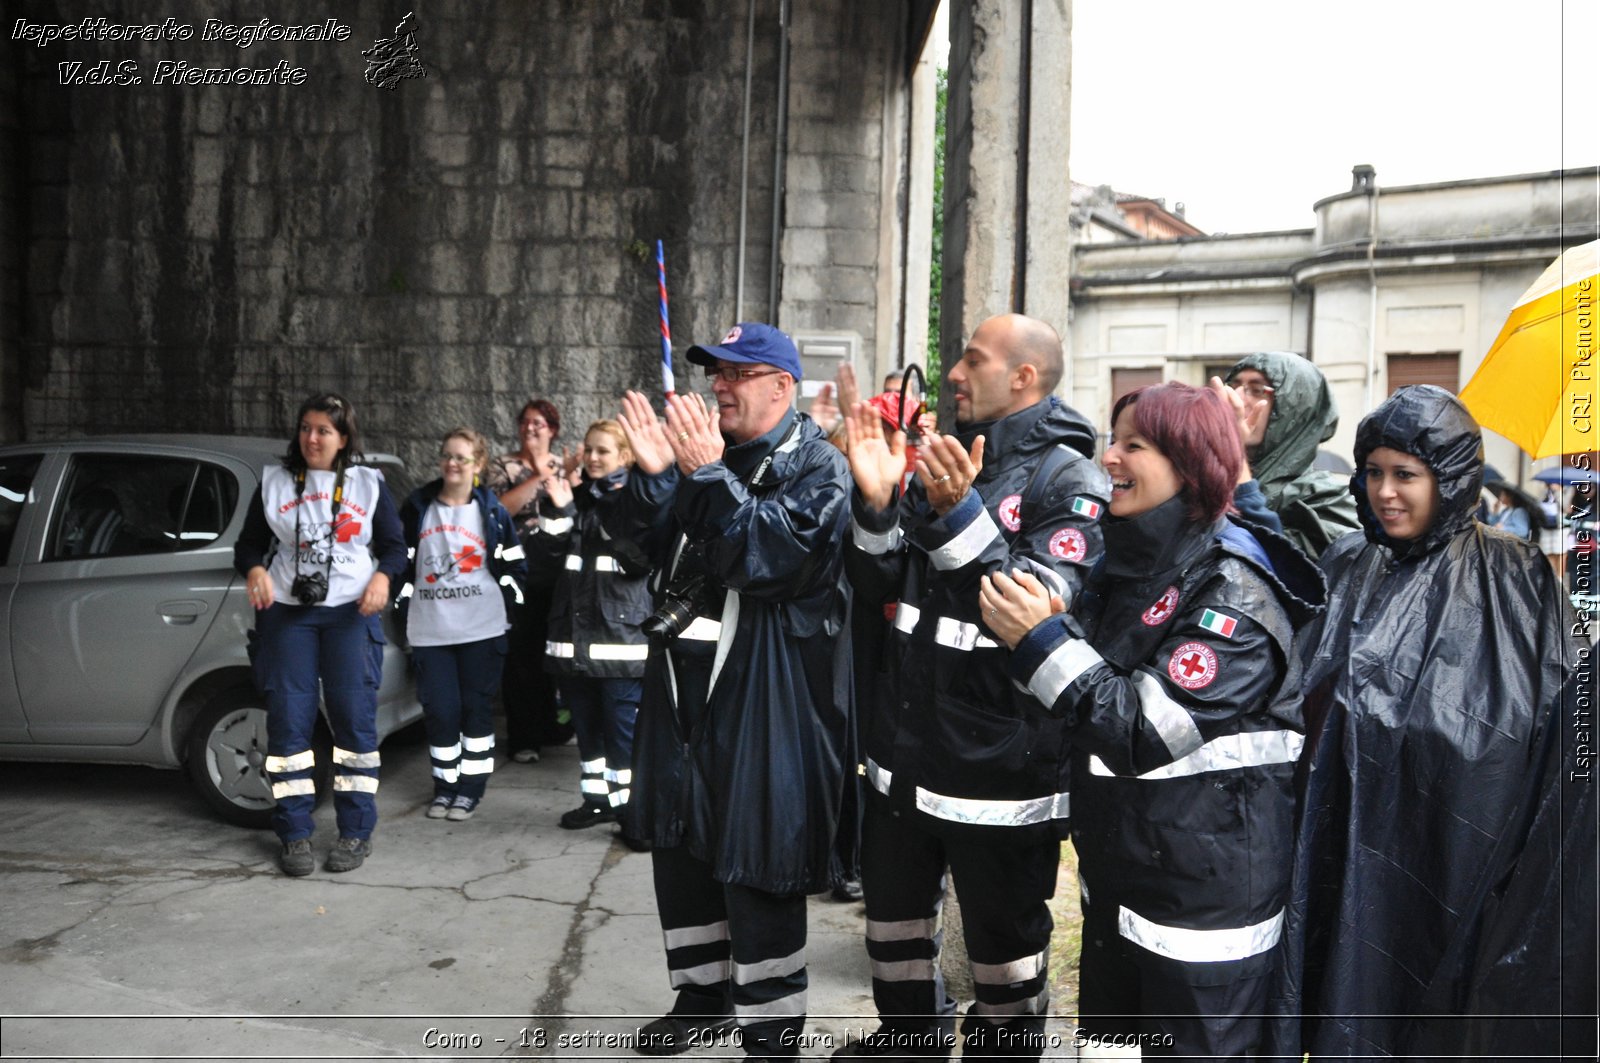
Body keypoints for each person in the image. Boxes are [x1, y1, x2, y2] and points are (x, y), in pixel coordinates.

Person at [980, 382, 1323, 1058]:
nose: (1108, 459)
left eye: (1133, 445)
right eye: (1114, 440)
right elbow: (1062, 697)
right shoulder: (1126, 566)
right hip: (1121, 891)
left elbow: (1143, 729)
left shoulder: (1235, 594)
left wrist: (1042, 641)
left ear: (1191, 464)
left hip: (1202, 920)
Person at [1266, 385, 1577, 1060]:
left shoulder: (1516, 574)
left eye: (1405, 474)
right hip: (1342, 828)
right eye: (1373, 472)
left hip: (1455, 845)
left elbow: (1556, 720)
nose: (1385, 492)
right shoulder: (1349, 561)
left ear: (1451, 477)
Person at [838, 313, 1107, 1060]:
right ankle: (907, 1043)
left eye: (972, 359)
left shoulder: (1068, 476)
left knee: (1004, 957)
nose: (952, 372)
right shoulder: (954, 459)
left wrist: (960, 513)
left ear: (1023, 376)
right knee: (892, 928)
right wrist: (878, 505)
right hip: (907, 758)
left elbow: (1031, 603)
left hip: (1000, 772)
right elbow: (878, 585)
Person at [608, 322, 853, 1060]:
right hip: (680, 694)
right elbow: (634, 554)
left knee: (756, 858)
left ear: (783, 386)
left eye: (736, 374)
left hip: (764, 703)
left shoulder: (819, 467)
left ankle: (772, 1032)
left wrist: (706, 476)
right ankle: (701, 996)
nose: (719, 385)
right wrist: (652, 479)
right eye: (715, 373)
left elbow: (771, 558)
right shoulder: (700, 460)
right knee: (680, 847)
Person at [233, 392, 406, 876]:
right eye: (306, 428)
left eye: (323, 430)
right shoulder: (275, 481)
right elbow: (248, 545)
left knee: (354, 726)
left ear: (343, 438)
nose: (312, 438)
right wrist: (253, 569)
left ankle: (355, 833)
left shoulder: (368, 484)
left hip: (350, 615)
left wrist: (382, 578)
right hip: (288, 615)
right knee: (289, 723)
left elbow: (396, 548)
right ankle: (293, 835)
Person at [528, 419, 652, 838]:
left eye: (603, 451)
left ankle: (634, 815)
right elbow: (544, 565)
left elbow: (638, 558)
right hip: (574, 644)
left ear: (625, 456)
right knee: (588, 735)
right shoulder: (573, 499)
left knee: (623, 741)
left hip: (620, 647)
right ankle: (597, 802)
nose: (594, 458)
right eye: (589, 449)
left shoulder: (637, 499)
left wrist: (605, 507)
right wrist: (559, 510)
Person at [398, 429, 526, 822]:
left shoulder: (492, 512)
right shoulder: (418, 507)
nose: (452, 464)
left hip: (481, 630)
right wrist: (399, 606)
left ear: (478, 465)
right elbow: (399, 562)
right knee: (441, 711)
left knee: (475, 711)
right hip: (430, 630)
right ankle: (445, 787)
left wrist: (509, 607)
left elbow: (515, 564)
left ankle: (470, 790)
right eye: (447, 456)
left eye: (462, 458)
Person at [1212, 351, 1359, 559]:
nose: (1238, 399)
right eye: (1233, 387)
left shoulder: (1329, 501)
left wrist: (1236, 457)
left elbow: (1282, 573)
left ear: (1296, 411)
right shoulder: (1209, 480)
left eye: (1256, 390)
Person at [486, 398, 569, 763]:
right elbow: (498, 511)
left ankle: (551, 725)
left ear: (553, 430)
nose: (532, 428)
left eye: (540, 423)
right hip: (517, 571)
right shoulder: (503, 466)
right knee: (520, 655)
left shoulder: (565, 467)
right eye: (526, 422)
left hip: (558, 572)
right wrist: (537, 474)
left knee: (552, 654)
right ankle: (523, 737)